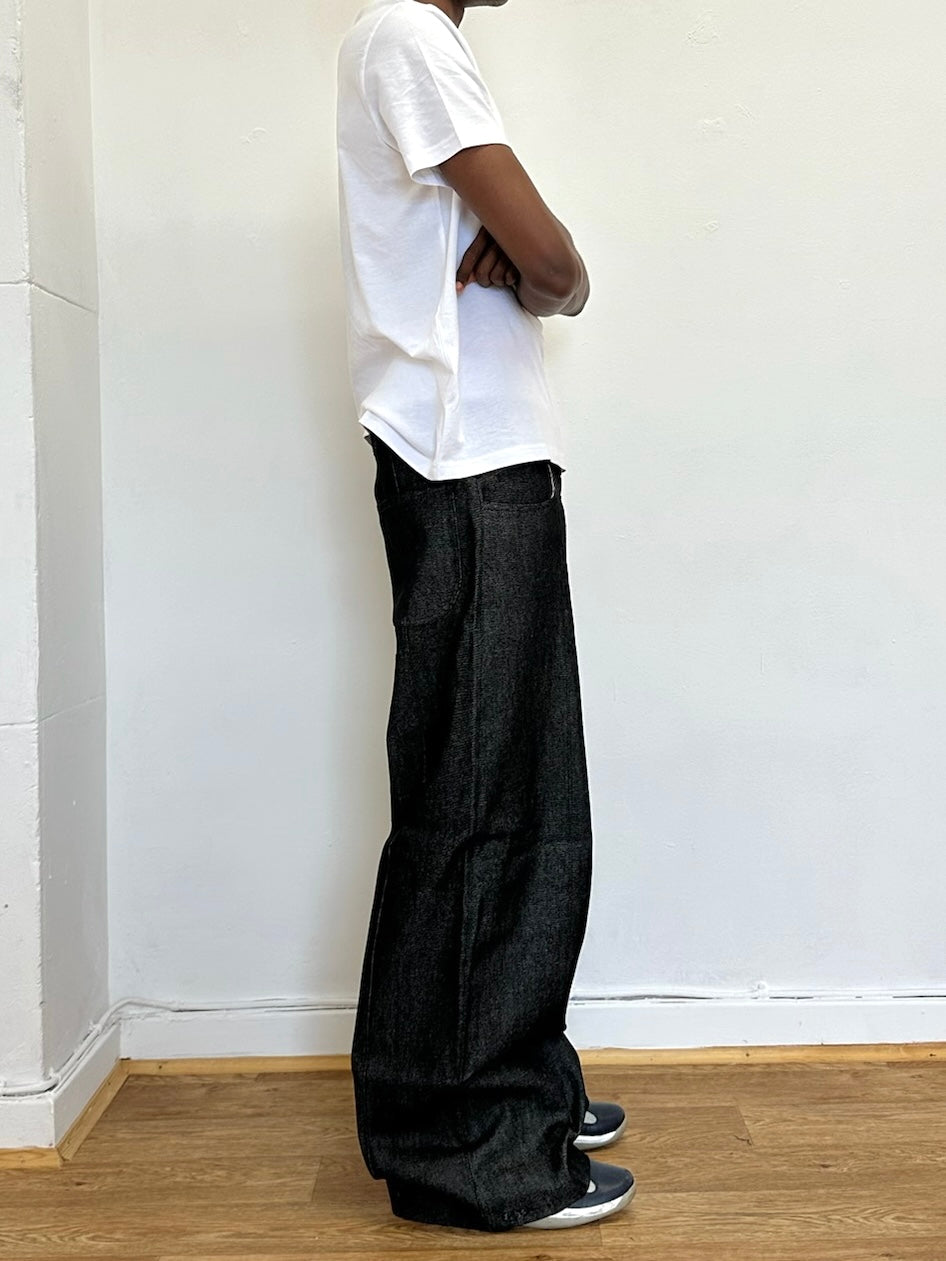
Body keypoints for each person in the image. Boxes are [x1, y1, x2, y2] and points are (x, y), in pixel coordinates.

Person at [335, 0, 636, 1233]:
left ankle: (517, 1088)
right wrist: (541, 263)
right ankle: (464, 1147)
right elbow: (557, 266)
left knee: (523, 800)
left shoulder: (424, 43)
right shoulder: (406, 34)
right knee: (476, 809)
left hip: (488, 463)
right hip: (459, 463)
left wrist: (545, 267)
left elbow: (559, 277)